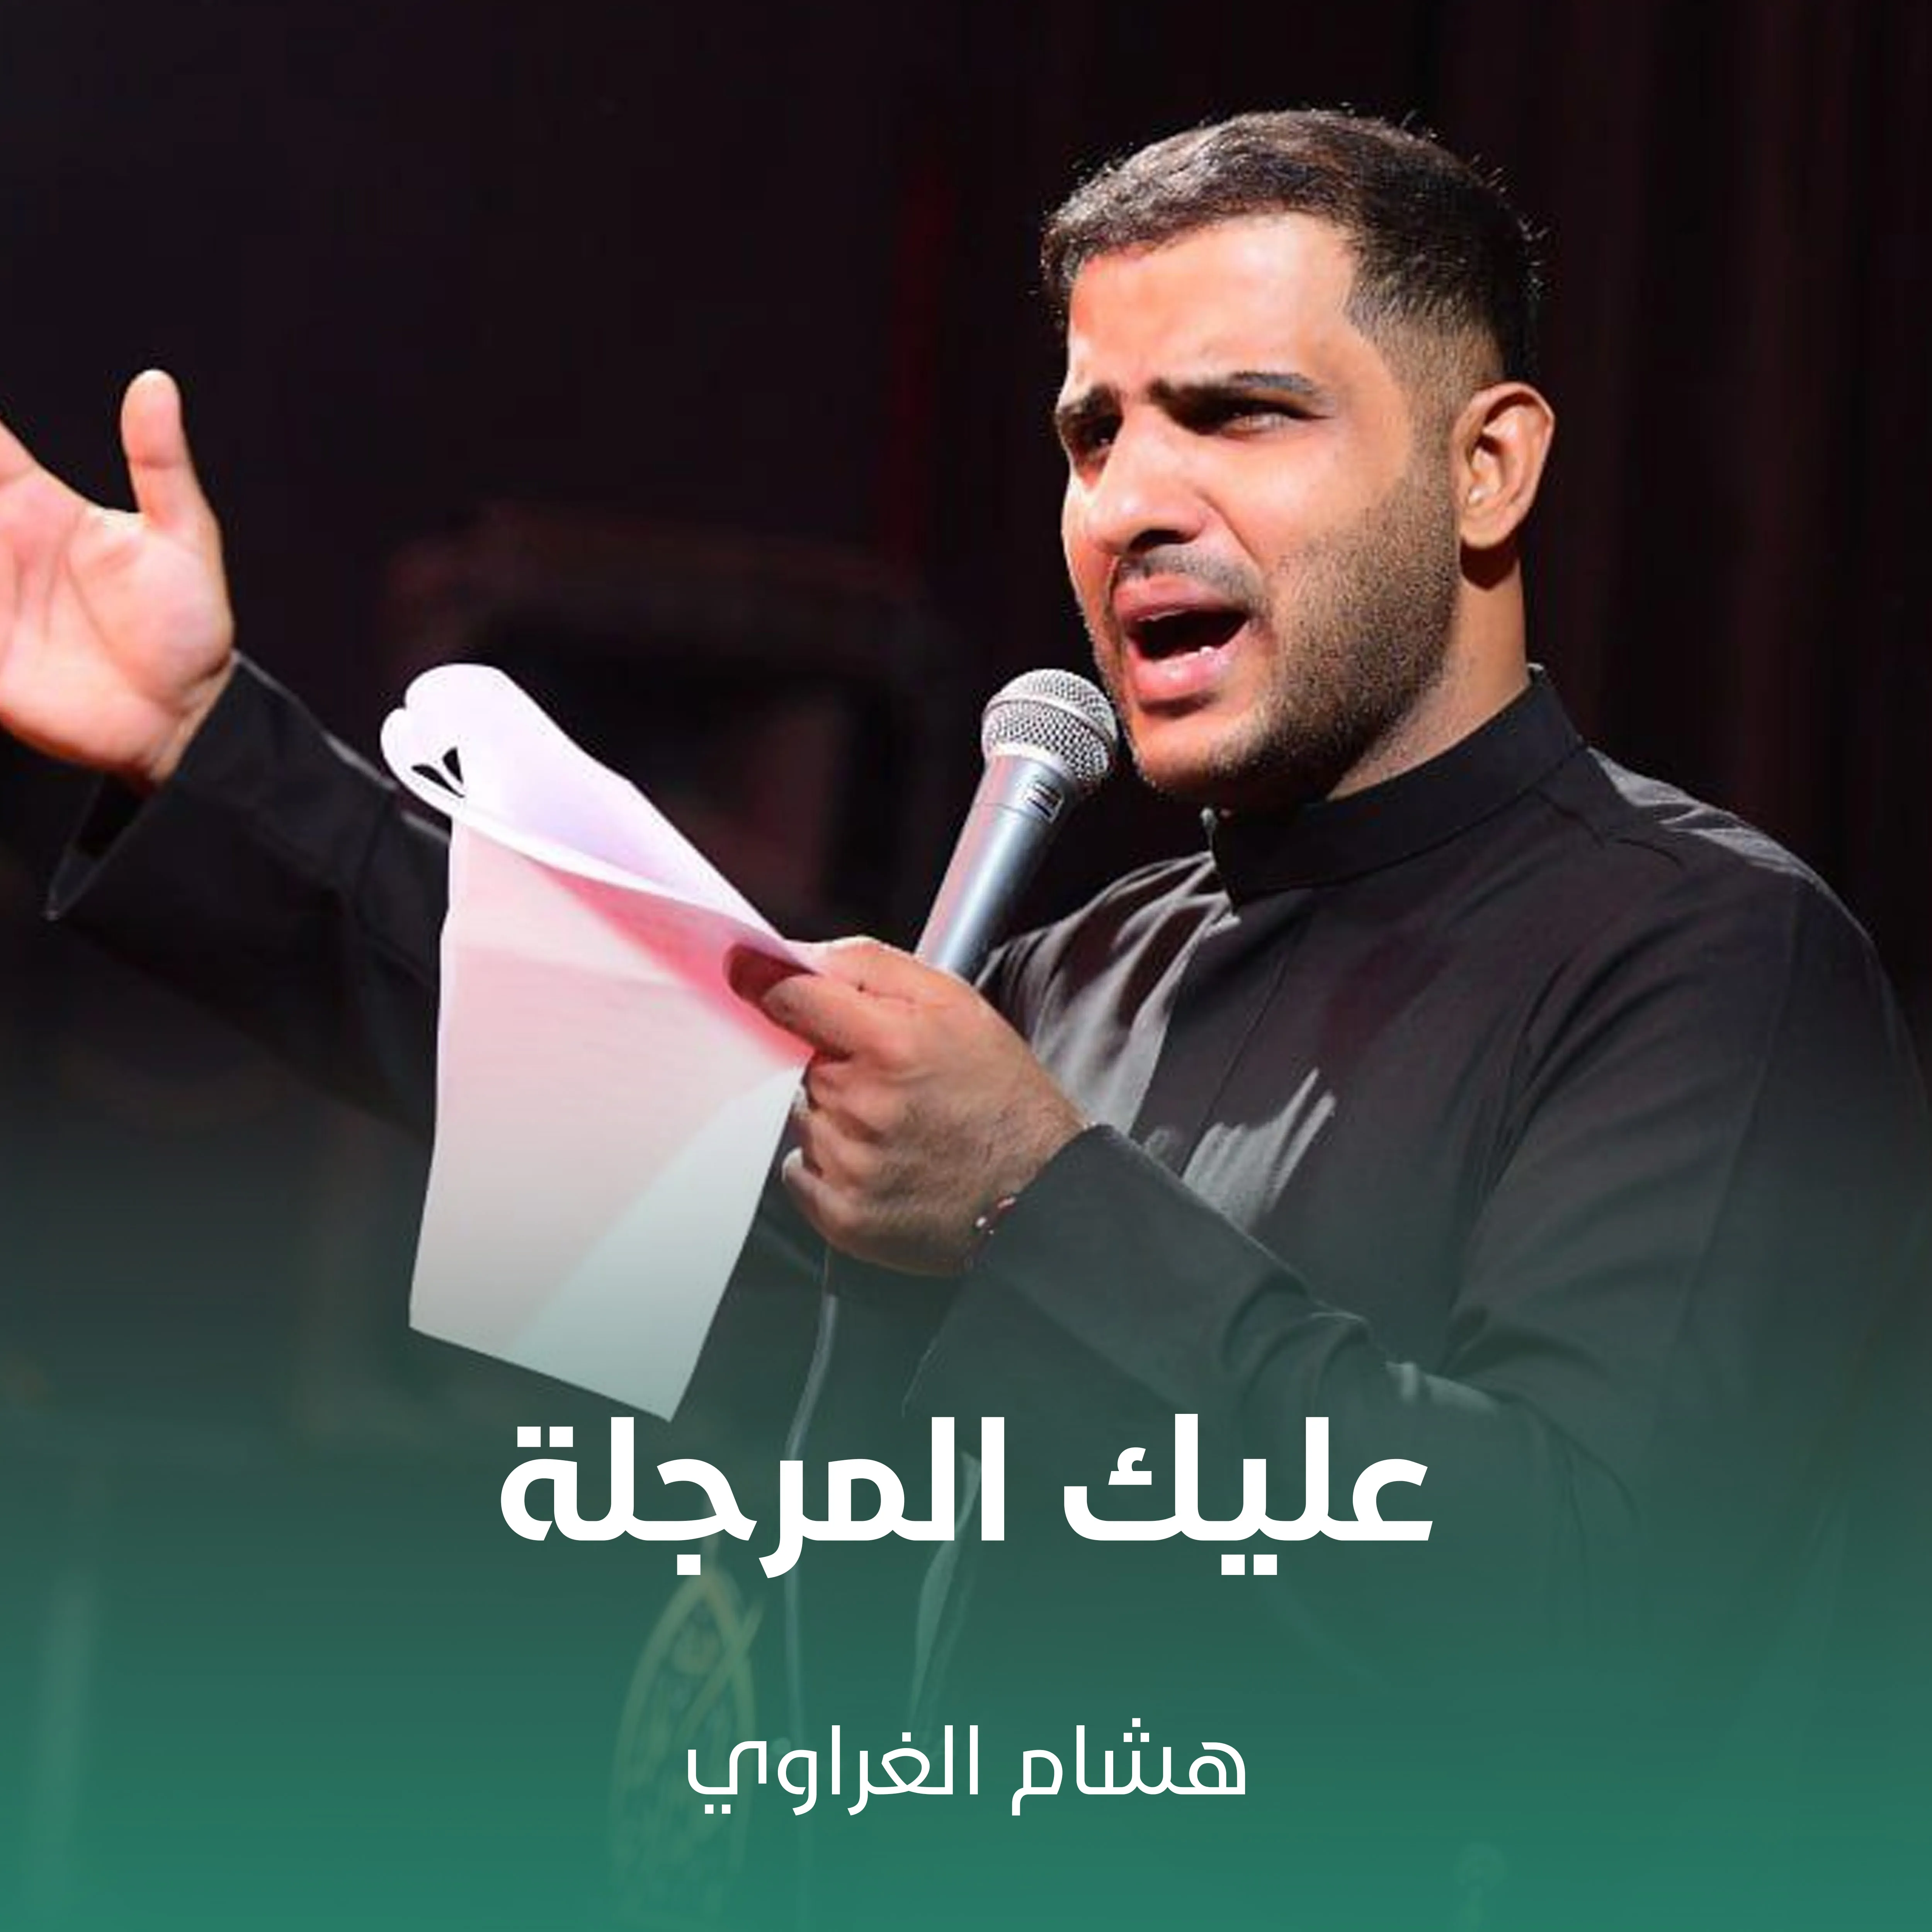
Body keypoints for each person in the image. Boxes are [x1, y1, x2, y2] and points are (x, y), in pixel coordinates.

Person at [2, 111, 1925, 1928]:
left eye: (1237, 413)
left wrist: (1034, 1199)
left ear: (1483, 466)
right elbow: (598, 1097)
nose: (1131, 502)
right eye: (1092, 434)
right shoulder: (1071, 975)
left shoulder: (1704, 959)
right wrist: (202, 750)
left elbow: (1585, 1630)